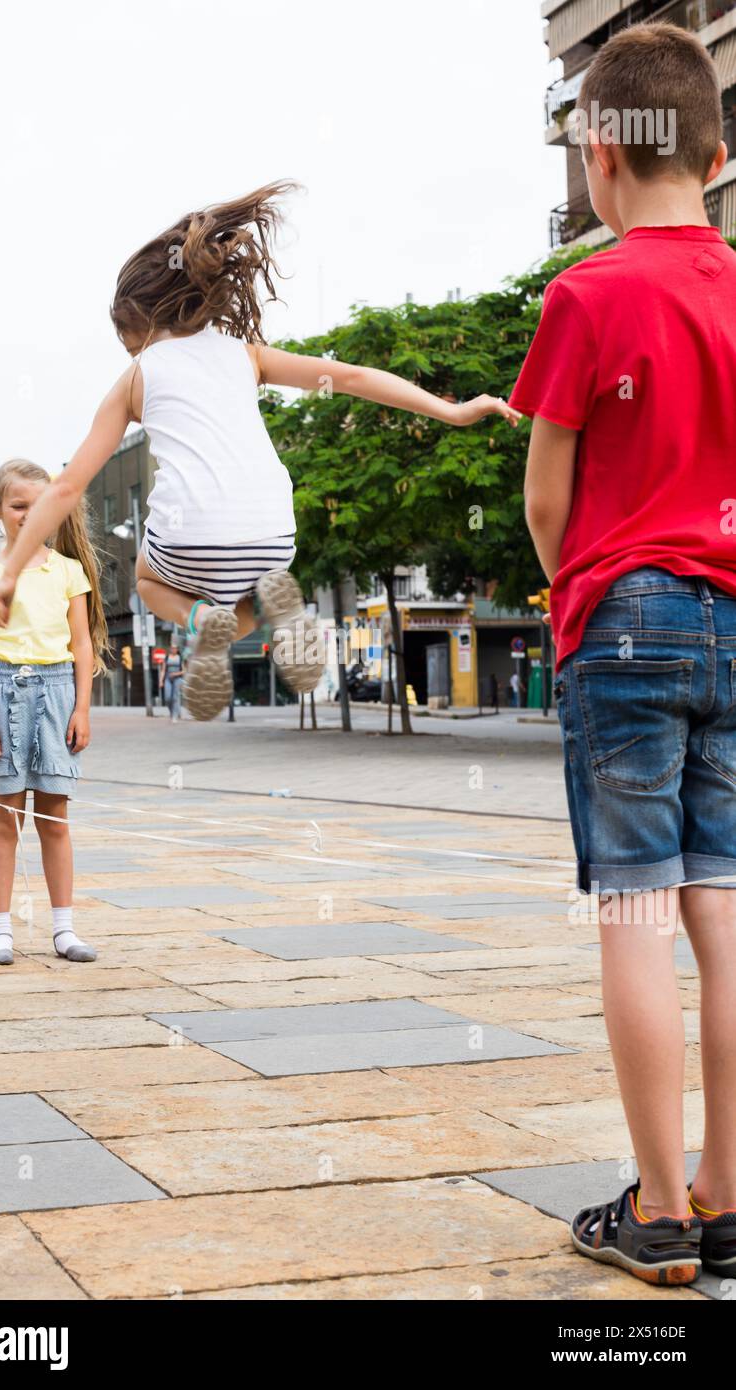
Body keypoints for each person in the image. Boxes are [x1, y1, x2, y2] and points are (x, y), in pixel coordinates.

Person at [0, 181, 519, 723]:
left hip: (191, 539)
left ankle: (200, 626)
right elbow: (351, 377)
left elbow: (69, 485)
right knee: (244, 593)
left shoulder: (136, 378)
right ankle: (266, 611)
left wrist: (9, 573)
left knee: (145, 578)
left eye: (124, 338)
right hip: (271, 536)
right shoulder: (246, 354)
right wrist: (452, 411)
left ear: (139, 324)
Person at [513, 22, 736, 1285]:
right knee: (727, 904)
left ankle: (656, 1211)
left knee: (638, 913)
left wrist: (575, 590)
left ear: (600, 155)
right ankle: (727, 1190)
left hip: (628, 615)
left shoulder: (587, 294)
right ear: (715, 153)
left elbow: (548, 494)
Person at [0, 460, 108, 966]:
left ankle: (64, 929)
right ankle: (0, 930)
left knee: (55, 816)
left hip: (57, 692)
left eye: (38, 506)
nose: (28, 515)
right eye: (17, 505)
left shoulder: (68, 572)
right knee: (5, 815)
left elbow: (83, 644)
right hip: (4, 692)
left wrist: (82, 709)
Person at [159, 640, 184, 722]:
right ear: (170, 649)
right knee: (168, 697)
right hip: (168, 679)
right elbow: (163, 670)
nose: (173, 649)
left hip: (177, 679)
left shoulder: (180, 658)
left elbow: (184, 671)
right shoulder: (166, 658)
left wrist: (176, 674)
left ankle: (174, 716)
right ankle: (171, 712)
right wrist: (161, 681)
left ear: (177, 649)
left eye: (175, 648)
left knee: (175, 697)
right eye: (172, 648)